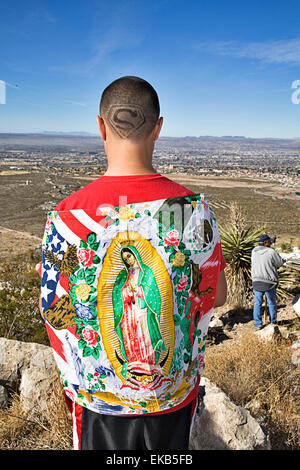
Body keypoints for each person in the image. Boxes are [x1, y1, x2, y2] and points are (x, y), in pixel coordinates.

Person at [39, 76, 227, 450]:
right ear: (158, 127)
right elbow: (215, 295)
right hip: (171, 397)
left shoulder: (69, 215)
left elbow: (54, 309)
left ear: (100, 126)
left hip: (99, 405)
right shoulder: (188, 211)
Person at [251, 233, 285, 329]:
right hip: (269, 282)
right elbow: (279, 263)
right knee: (271, 303)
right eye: (269, 241)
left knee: (257, 303)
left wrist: (272, 241)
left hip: (256, 281)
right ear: (265, 242)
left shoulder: (254, 251)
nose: (270, 242)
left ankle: (258, 323)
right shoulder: (271, 252)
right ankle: (273, 322)